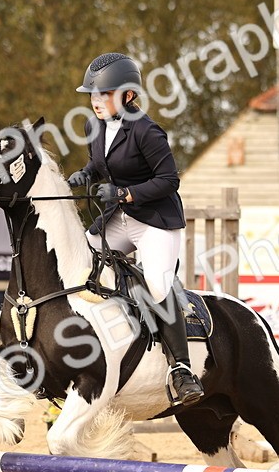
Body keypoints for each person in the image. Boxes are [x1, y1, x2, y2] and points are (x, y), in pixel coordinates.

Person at [66, 52, 204, 407]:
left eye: (104, 94)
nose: (96, 101)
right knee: (81, 259)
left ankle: (182, 369)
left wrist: (124, 193)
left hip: (155, 221)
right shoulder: (94, 126)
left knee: (157, 282)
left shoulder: (146, 130)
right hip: (120, 219)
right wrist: (86, 174)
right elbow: (99, 163)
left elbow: (169, 180)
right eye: (93, 95)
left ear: (128, 95)